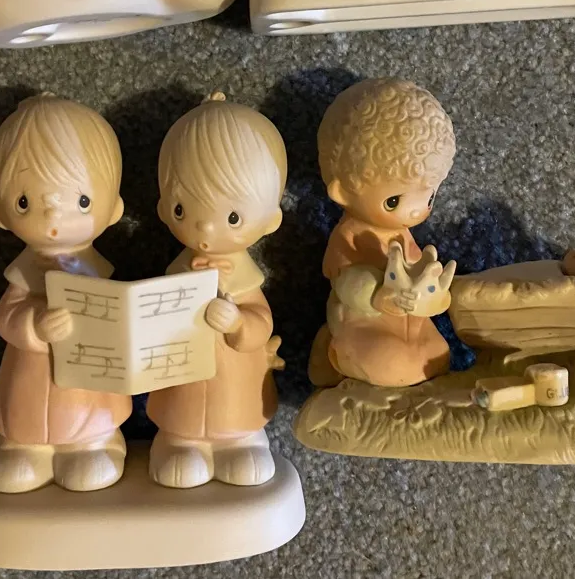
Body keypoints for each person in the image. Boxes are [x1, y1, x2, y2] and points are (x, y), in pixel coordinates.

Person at [0, 95, 131, 493]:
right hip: (29, 382)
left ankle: (98, 442)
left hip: (89, 392)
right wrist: (34, 325)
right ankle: (22, 447)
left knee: (90, 434)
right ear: (0, 213)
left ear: (113, 210)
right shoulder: (24, 274)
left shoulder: (98, 274)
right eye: (25, 202)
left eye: (82, 202)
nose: (52, 217)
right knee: (17, 451)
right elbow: (6, 316)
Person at [147, 93, 285, 488]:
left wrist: (238, 322)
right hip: (182, 390)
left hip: (236, 392)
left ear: (270, 221)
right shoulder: (173, 275)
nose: (206, 228)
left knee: (242, 436)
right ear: (164, 210)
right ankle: (177, 441)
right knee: (180, 428)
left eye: (233, 217)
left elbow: (260, 324)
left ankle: (243, 441)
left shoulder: (246, 280)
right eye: (182, 210)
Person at [313, 79, 457, 388]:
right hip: (365, 319)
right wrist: (381, 297)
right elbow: (347, 285)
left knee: (437, 354)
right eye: (394, 201)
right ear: (343, 193)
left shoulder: (404, 235)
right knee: (392, 361)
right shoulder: (350, 236)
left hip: (410, 323)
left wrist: (433, 293)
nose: (416, 212)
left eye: (429, 197)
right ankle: (335, 352)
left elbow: (420, 277)